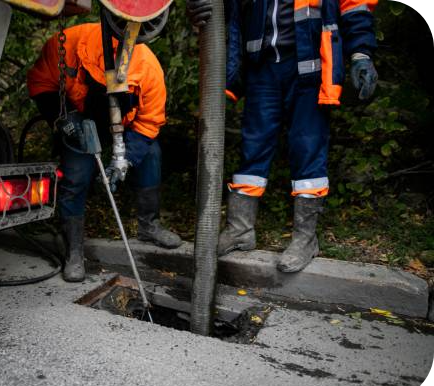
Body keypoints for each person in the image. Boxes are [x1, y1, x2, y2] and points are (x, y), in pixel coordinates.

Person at [187, 0, 378, 272]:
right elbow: (228, 10)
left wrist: (361, 54)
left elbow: (354, 8)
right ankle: (240, 229)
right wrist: (199, 9)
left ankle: (305, 239)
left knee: (307, 147)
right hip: (262, 68)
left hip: (309, 68)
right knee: (253, 146)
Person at [27, 23, 182, 282]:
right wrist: (62, 117)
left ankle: (149, 226)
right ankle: (74, 250)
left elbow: (150, 122)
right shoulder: (69, 43)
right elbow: (40, 81)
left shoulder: (149, 69)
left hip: (127, 127)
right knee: (75, 176)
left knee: (151, 154)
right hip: (82, 122)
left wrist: (126, 159)